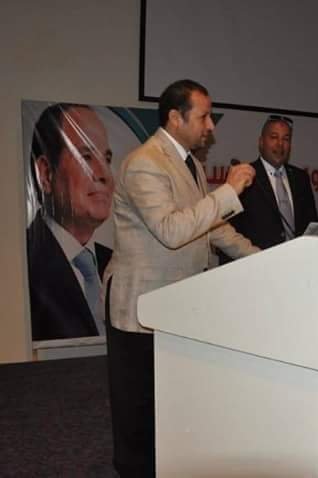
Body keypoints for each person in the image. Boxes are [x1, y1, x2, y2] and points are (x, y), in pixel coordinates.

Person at [103, 79, 259, 477]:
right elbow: (172, 230)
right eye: (204, 117)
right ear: (175, 117)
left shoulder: (192, 164)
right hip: (140, 305)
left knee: (171, 400)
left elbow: (212, 228)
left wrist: (265, 259)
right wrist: (228, 191)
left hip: (177, 306)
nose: (211, 127)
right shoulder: (144, 162)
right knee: (138, 405)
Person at [27, 103, 114, 340]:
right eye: (86, 157)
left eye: (107, 159)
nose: (104, 174)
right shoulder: (24, 264)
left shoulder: (116, 263)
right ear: (46, 173)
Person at [222, 114, 318, 256]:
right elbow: (228, 232)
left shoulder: (301, 178)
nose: (280, 144)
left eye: (286, 139)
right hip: (257, 262)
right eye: (274, 137)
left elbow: (312, 222)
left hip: (298, 260)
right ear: (261, 142)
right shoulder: (243, 176)